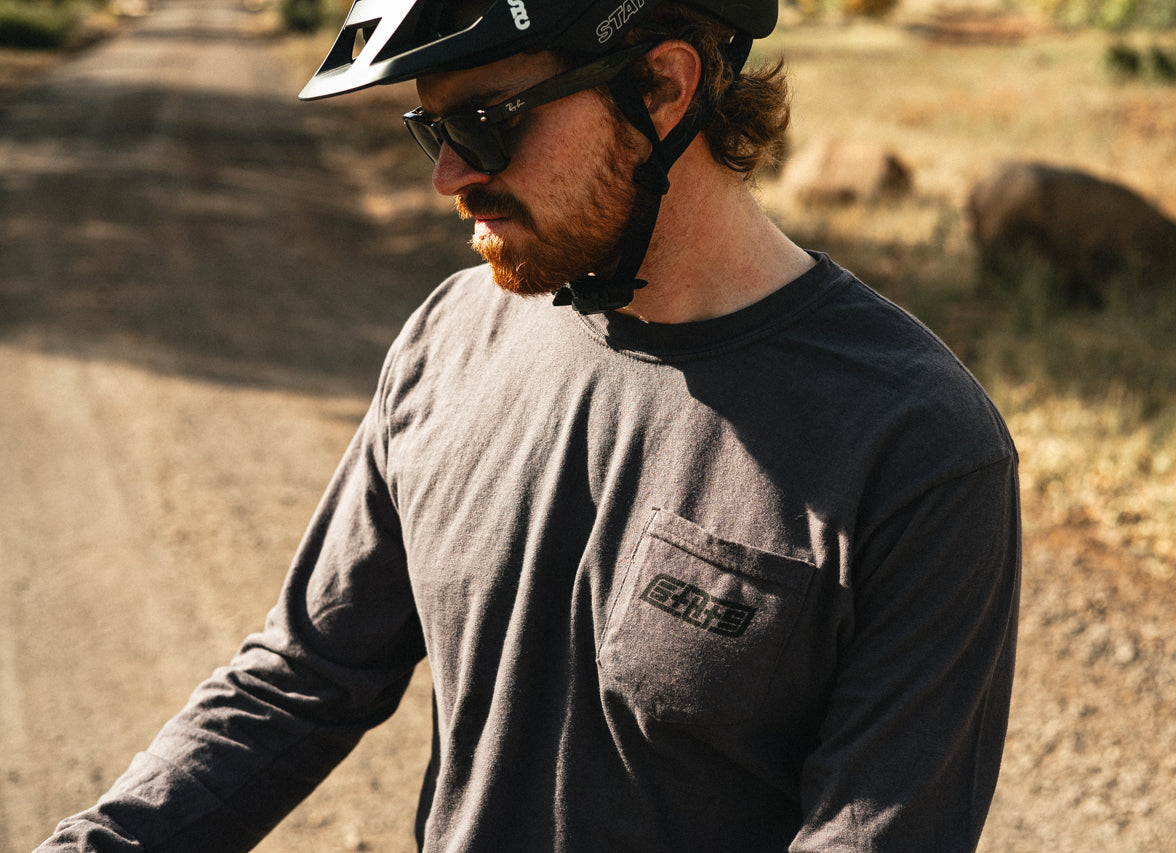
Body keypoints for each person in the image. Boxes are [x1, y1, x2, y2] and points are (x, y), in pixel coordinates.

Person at [37, 0, 1021, 849]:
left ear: (663, 87)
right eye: (431, 130)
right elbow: (299, 680)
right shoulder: (450, 337)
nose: (448, 176)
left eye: (485, 123)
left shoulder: (915, 445)